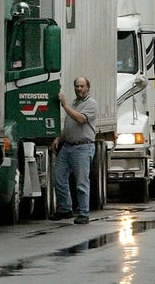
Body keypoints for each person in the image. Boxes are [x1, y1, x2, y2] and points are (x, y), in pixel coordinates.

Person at [49, 76, 98, 225]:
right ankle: (65, 208)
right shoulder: (73, 104)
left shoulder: (91, 104)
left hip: (83, 147)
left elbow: (80, 119)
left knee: (81, 181)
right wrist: (60, 138)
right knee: (58, 176)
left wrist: (64, 105)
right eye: (77, 86)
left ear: (88, 88)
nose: (79, 89)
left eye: (82, 86)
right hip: (68, 146)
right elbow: (70, 126)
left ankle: (84, 213)